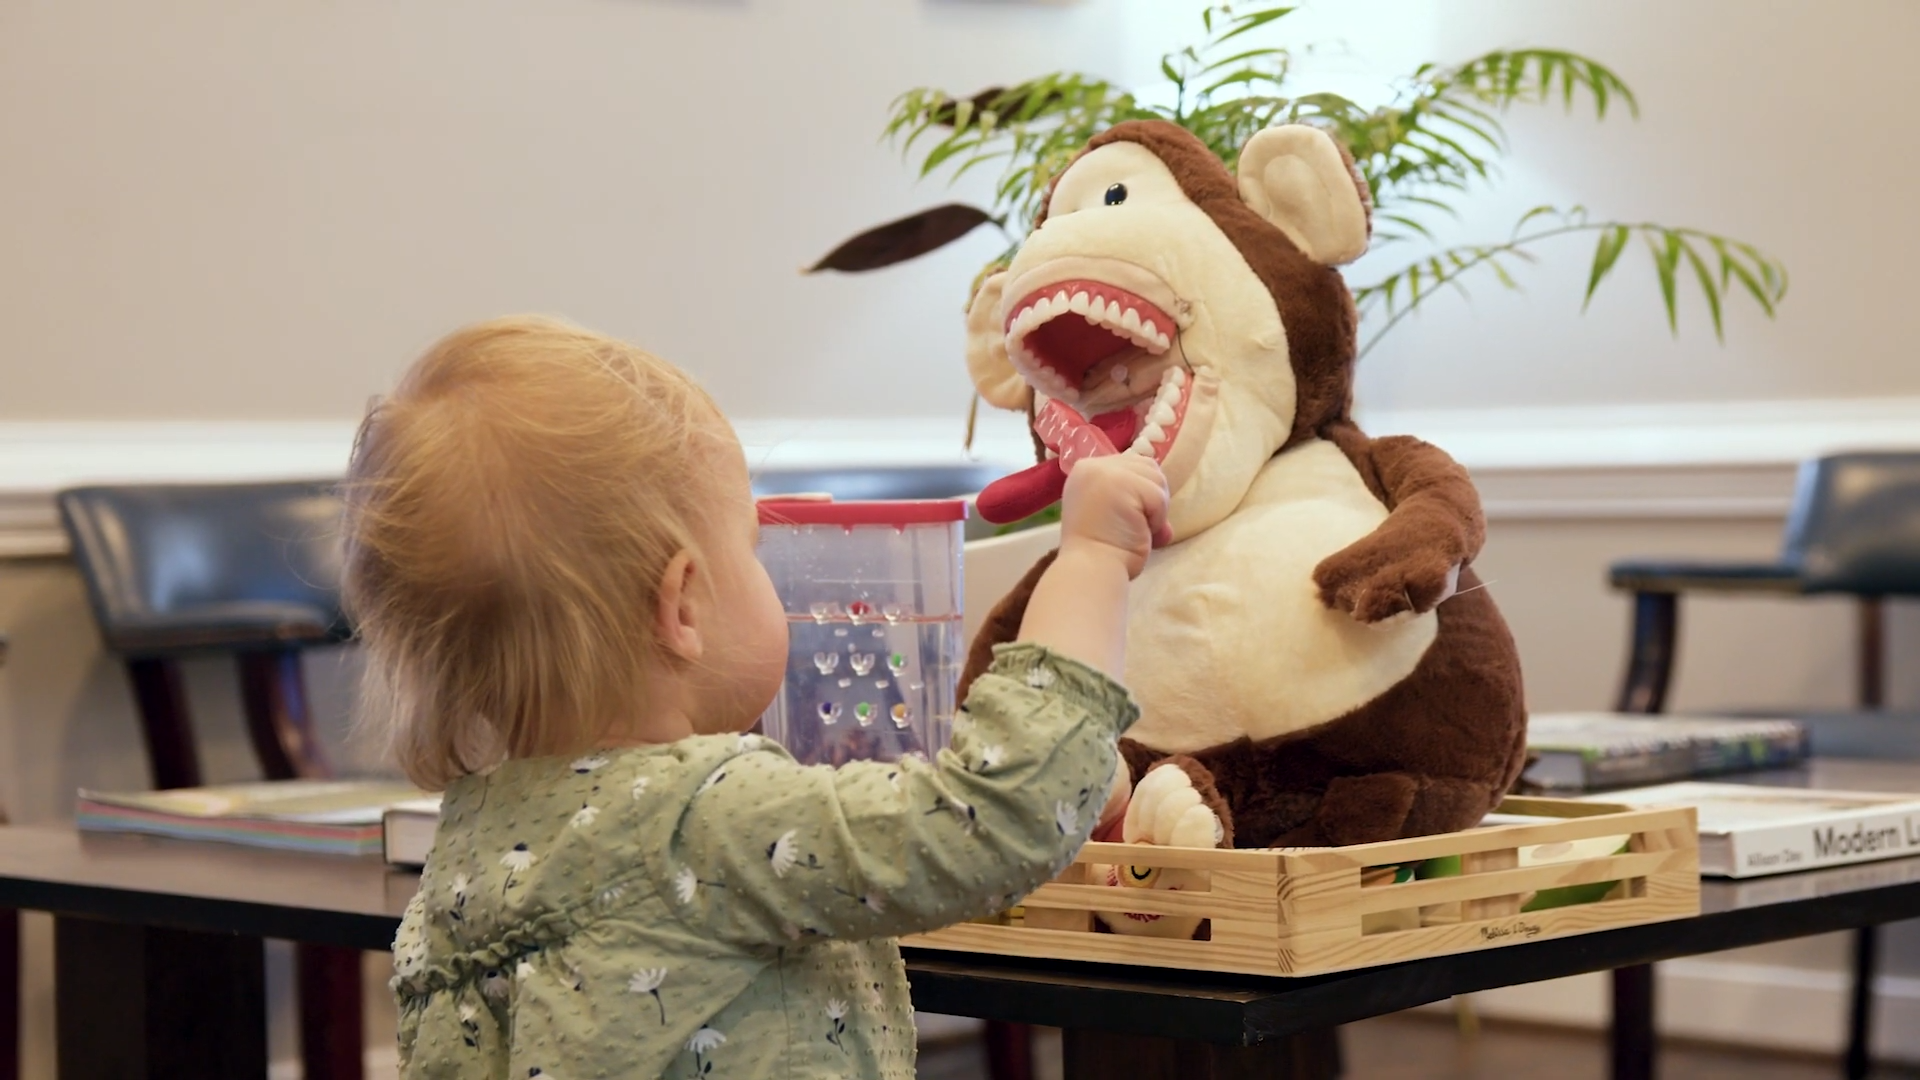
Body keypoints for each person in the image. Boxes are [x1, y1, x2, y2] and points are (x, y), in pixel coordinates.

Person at [343, 315, 1168, 1079]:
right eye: (753, 547)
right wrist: (1091, 558)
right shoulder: (706, 822)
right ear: (683, 605)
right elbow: (998, 816)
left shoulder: (463, 857)